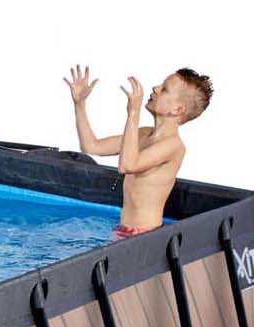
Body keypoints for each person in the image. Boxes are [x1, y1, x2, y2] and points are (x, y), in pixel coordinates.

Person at [65, 65, 213, 239]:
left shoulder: (173, 146)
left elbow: (127, 165)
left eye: (164, 89)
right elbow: (91, 146)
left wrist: (133, 113)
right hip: (123, 231)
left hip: (145, 236)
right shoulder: (143, 134)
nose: (155, 88)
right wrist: (80, 104)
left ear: (177, 110)